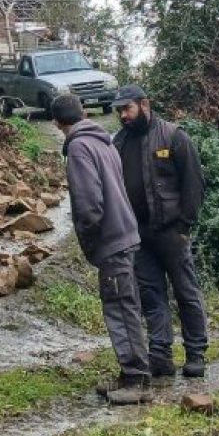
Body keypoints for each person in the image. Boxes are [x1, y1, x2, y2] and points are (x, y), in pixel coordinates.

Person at [51, 93, 152, 405]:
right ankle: (130, 374)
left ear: (56, 123)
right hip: (125, 232)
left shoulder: (79, 147)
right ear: (83, 113)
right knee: (127, 305)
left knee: (121, 308)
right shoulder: (103, 141)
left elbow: (88, 204)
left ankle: (136, 380)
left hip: (111, 239)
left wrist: (91, 241)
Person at [111, 84, 209, 378]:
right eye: (119, 111)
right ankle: (161, 355)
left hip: (171, 232)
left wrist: (184, 225)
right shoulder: (119, 143)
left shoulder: (173, 136)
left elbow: (194, 183)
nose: (123, 115)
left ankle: (196, 354)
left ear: (145, 104)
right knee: (151, 296)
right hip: (138, 235)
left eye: (127, 108)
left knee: (186, 292)